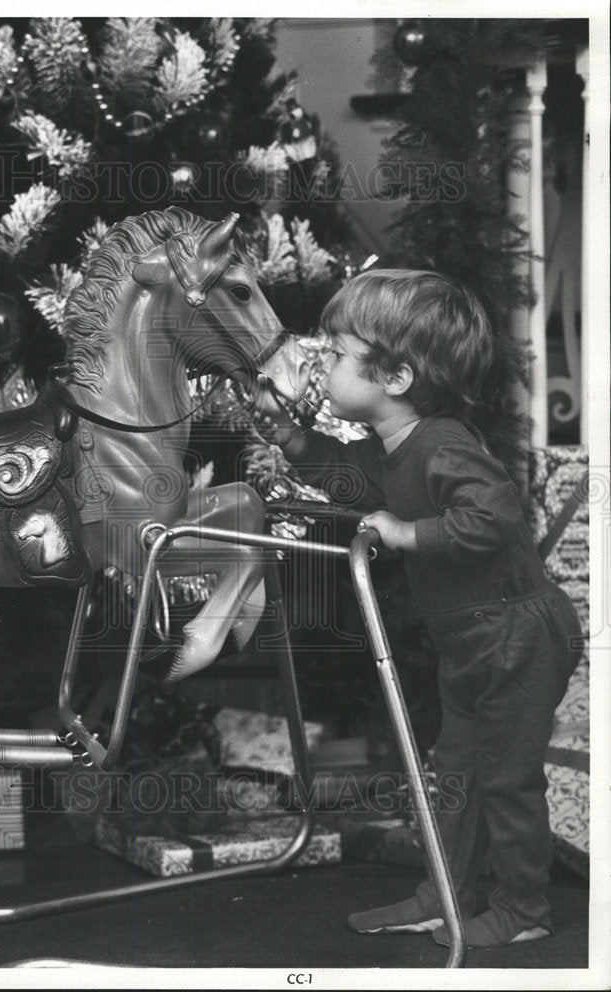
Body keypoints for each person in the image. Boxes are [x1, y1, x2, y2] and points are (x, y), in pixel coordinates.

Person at [252, 269, 582, 950]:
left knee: (506, 778)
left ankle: (523, 909)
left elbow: (491, 518)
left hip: (518, 634)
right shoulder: (390, 448)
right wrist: (292, 442)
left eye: (337, 354)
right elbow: (353, 480)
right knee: (454, 772)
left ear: (395, 377)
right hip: (468, 638)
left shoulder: (443, 444)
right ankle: (446, 894)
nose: (323, 363)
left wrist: (407, 534)